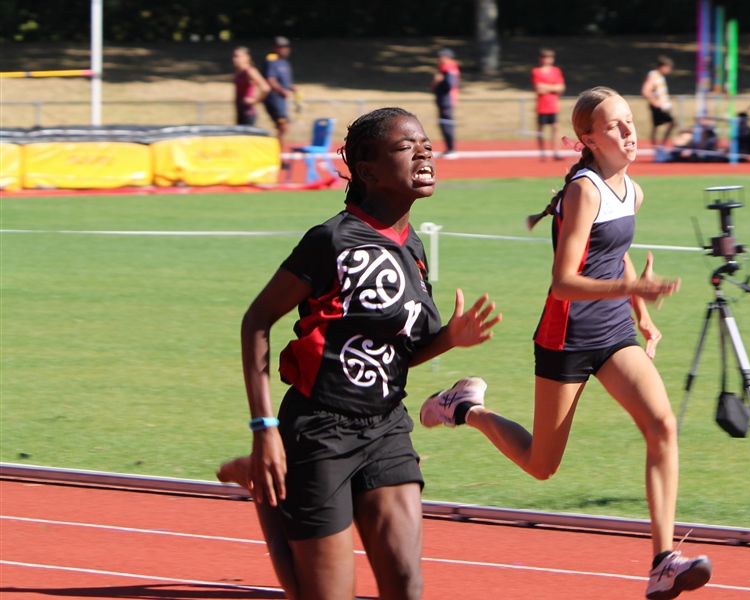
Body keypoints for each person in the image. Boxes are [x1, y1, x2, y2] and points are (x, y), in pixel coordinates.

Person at [420, 87, 712, 600]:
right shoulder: (585, 191)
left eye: (629, 122)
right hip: (567, 337)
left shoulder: (632, 190)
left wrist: (640, 312)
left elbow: (614, 252)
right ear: (588, 140)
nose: (629, 132)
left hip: (615, 331)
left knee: (662, 425)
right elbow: (563, 282)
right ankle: (464, 407)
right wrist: (633, 289)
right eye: (615, 127)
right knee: (541, 464)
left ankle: (663, 562)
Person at [217, 107, 500, 600]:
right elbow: (256, 321)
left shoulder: (412, 248)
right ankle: (264, 486)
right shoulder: (330, 240)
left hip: (386, 426)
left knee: (406, 587)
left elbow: (397, 353)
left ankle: (274, 484)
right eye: (406, 145)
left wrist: (449, 338)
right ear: (367, 169)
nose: (425, 151)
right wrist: (265, 431)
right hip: (319, 430)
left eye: (426, 143)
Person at [531, 48, 566, 161]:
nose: (548, 60)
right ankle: (542, 153)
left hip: (553, 105)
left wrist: (546, 87)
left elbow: (561, 88)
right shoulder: (536, 71)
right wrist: (552, 88)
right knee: (540, 129)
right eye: (545, 57)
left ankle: (556, 152)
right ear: (540, 58)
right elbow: (538, 89)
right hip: (542, 106)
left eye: (550, 57)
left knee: (555, 128)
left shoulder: (556, 71)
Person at [263, 36, 296, 150]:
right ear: (275, 48)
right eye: (281, 47)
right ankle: (278, 154)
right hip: (274, 99)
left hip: (282, 100)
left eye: (286, 47)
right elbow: (270, 79)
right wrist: (281, 91)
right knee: (283, 126)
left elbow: (285, 82)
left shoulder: (285, 63)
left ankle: (278, 152)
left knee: (283, 127)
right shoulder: (271, 61)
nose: (285, 49)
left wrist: (293, 88)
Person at [641, 56, 676, 152]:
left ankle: (658, 147)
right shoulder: (653, 75)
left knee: (657, 126)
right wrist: (655, 102)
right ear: (662, 66)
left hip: (662, 106)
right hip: (658, 107)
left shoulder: (659, 76)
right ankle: (658, 148)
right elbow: (645, 91)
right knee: (668, 124)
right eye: (668, 67)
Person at [431, 48, 460, 158]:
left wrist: (439, 81)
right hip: (443, 100)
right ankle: (448, 148)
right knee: (443, 124)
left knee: (447, 124)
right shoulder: (443, 68)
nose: (438, 59)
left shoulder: (449, 68)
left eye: (440, 57)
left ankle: (451, 149)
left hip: (446, 101)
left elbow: (449, 84)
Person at [232, 46, 271, 126]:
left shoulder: (250, 71)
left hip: (248, 112)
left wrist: (255, 101)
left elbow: (266, 88)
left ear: (247, 57)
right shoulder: (238, 71)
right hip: (240, 110)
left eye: (238, 56)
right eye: (234, 56)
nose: (235, 59)